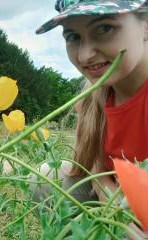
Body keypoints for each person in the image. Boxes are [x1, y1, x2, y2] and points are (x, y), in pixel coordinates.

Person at [29, 0, 148, 237]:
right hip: (119, 206)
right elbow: (94, 168)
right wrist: (116, 215)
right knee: (46, 177)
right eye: (73, 36)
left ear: (145, 25)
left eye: (104, 28)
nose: (85, 55)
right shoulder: (92, 95)